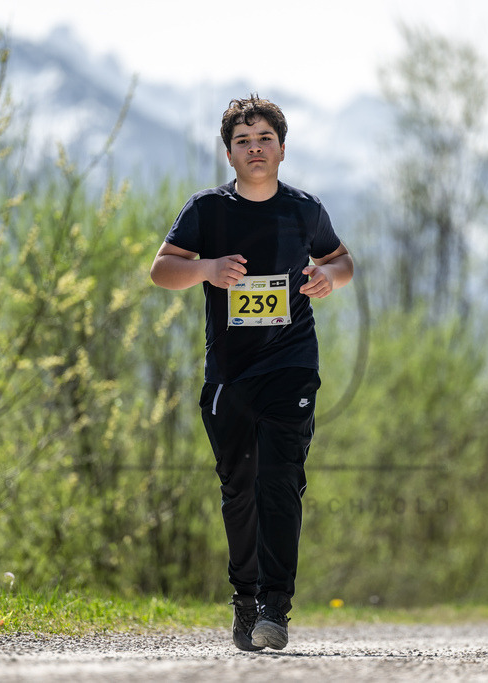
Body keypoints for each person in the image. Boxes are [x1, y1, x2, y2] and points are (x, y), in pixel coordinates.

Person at [149, 94, 354, 652]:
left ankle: (274, 609)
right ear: (230, 154)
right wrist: (208, 270)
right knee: (239, 489)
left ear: (282, 150)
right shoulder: (208, 211)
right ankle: (243, 600)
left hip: (291, 367)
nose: (255, 148)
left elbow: (343, 261)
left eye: (264, 138)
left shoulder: (304, 209)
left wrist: (328, 278)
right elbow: (161, 270)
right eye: (243, 141)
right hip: (229, 375)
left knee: (280, 482)